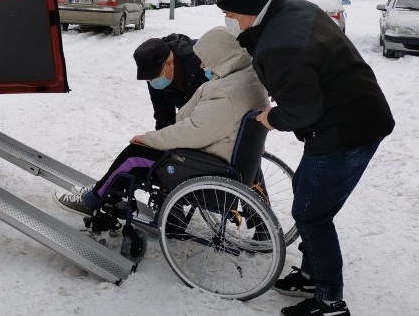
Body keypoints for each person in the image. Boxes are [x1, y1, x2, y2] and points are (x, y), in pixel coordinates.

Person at [216, 0, 394, 316]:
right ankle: (312, 274)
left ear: (251, 10)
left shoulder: (282, 44)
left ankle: (330, 303)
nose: (229, 22)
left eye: (232, 15)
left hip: (346, 129)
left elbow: (303, 111)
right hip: (355, 114)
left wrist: (272, 118)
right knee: (308, 195)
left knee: (312, 213)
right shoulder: (293, 10)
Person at [57, 27, 268, 215]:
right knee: (150, 148)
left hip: (208, 154)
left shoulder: (205, 67)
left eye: (154, 77)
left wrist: (152, 141)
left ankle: (93, 200)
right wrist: (158, 142)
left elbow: (197, 129)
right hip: (219, 143)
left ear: (170, 61)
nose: (152, 82)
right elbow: (166, 118)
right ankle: (127, 199)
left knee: (133, 156)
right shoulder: (242, 76)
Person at [133, 33, 206, 129]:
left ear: (169, 63)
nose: (152, 82)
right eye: (149, 78)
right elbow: (163, 116)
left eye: (154, 76)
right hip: (187, 113)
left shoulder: (199, 57)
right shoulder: (153, 70)